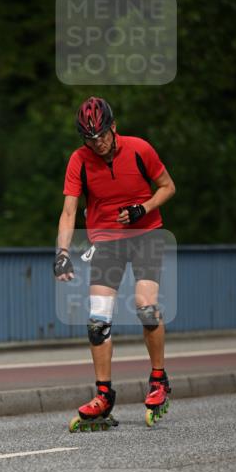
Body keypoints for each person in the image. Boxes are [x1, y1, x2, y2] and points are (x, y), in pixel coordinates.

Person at [54, 96, 176, 429]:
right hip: (106, 242)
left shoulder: (139, 149)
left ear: (114, 126)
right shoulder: (79, 161)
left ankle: (158, 379)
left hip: (146, 235)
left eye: (102, 135)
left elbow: (168, 187)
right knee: (97, 322)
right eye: (90, 138)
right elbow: (68, 212)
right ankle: (104, 395)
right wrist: (62, 254)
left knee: (145, 307)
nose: (98, 143)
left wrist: (143, 208)